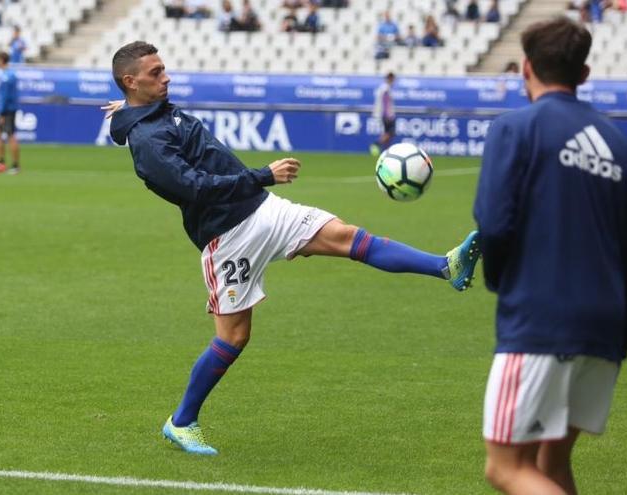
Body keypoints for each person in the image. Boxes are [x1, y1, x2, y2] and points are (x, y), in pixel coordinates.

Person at [103, 41, 482, 456]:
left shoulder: (150, 111)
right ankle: (181, 421)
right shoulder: (148, 143)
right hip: (227, 238)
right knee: (233, 338)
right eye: (156, 72)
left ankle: (446, 266)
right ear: (131, 80)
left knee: (349, 237)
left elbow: (141, 116)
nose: (166, 76)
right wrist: (261, 175)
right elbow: (195, 189)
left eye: (163, 69)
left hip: (264, 211)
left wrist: (126, 109)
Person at [473, 17, 627, 494]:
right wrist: (623, 335)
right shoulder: (621, 147)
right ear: (585, 73)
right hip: (605, 327)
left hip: (540, 322)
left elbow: (492, 223)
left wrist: (500, 284)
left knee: (505, 467)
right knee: (551, 465)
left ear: (525, 68)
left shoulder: (514, 128)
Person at [0, 52, 21, 174]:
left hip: (7, 110)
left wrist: (2, 113)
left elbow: (5, 96)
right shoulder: (9, 75)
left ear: (1, 60)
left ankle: (15, 166)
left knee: (11, 136)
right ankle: (1, 163)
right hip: (7, 109)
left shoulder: (6, 77)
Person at [370, 72, 396, 156]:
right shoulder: (386, 88)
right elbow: (385, 102)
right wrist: (387, 114)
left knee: (387, 133)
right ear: (390, 78)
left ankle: (386, 151)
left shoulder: (383, 87)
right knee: (390, 132)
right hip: (387, 115)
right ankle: (377, 144)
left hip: (384, 114)